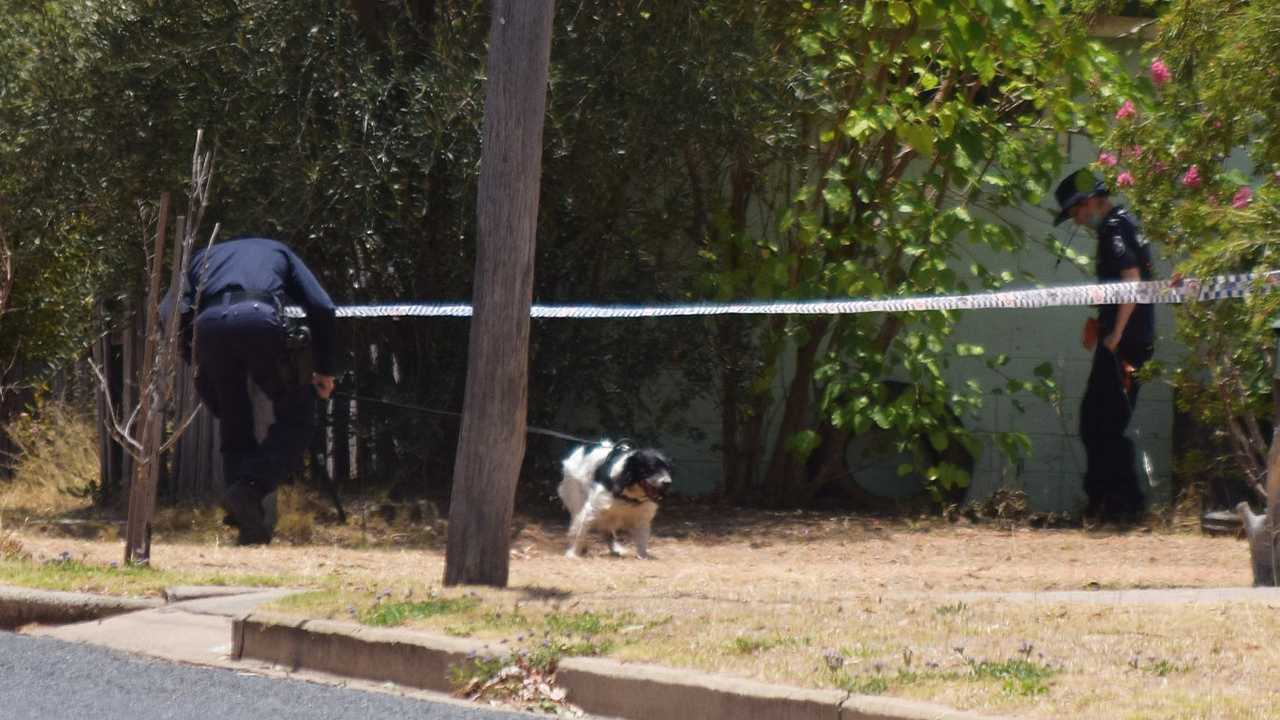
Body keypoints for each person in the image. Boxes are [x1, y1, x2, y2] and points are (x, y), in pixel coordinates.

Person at [171, 236, 337, 544]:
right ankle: (250, 487)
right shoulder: (279, 250)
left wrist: (192, 357)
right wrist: (325, 369)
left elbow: (171, 309)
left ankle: (248, 525)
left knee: (234, 419)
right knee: (298, 417)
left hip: (208, 328)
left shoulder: (200, 257)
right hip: (258, 320)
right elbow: (322, 307)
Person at [1053, 169, 1155, 525]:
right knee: (1099, 422)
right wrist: (1102, 323)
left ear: (1089, 203)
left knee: (1102, 425)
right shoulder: (1124, 223)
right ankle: (1111, 504)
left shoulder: (1113, 227)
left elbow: (1131, 281)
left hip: (1123, 346)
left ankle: (1120, 506)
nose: (1077, 222)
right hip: (1124, 340)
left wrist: (1114, 336)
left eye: (1075, 214)